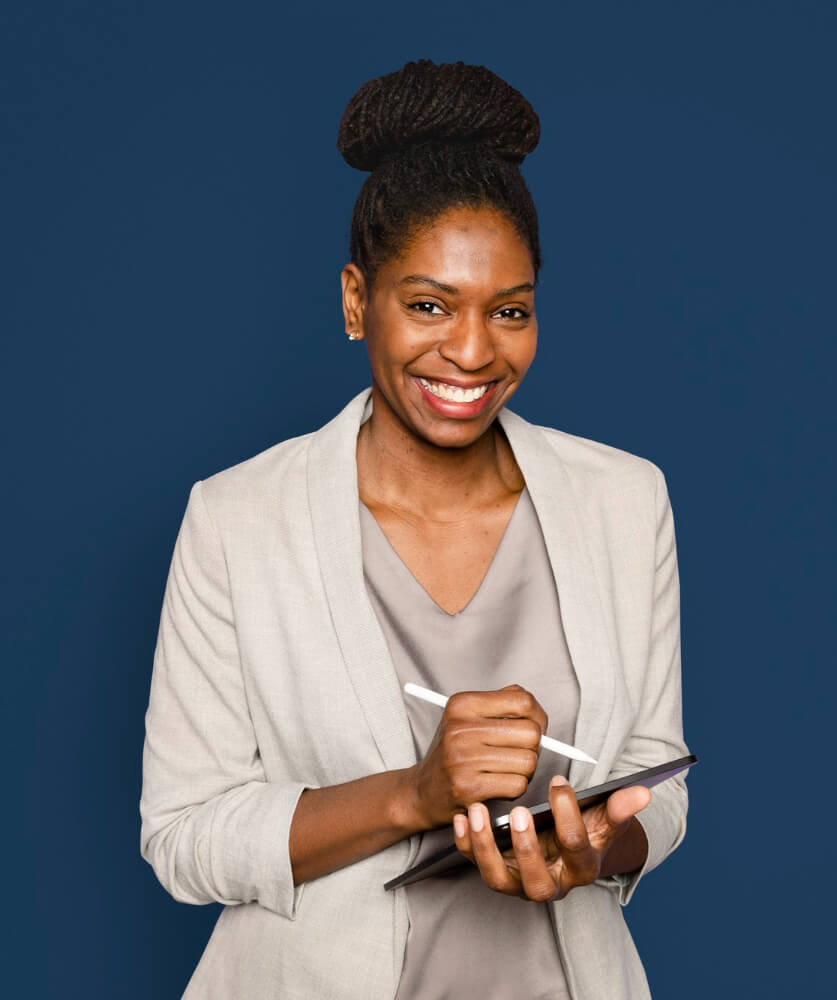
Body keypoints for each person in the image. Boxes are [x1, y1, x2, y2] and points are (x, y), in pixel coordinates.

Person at [138, 59, 690, 1000]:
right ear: (359, 300)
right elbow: (183, 838)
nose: (472, 351)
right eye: (428, 304)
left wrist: (597, 850)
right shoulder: (237, 520)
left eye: (508, 311)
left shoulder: (624, 500)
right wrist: (414, 796)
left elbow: (656, 783)